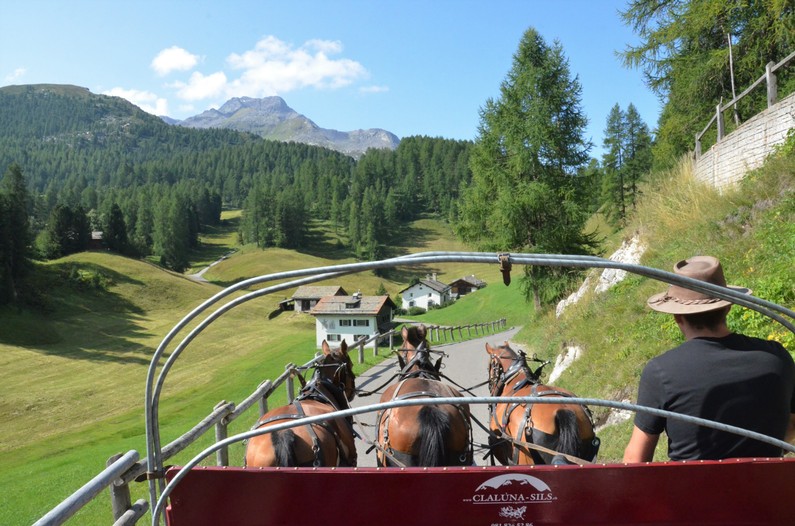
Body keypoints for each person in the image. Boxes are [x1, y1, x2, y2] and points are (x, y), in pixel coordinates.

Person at [623, 255, 795, 462]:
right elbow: (791, 427)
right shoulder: (776, 357)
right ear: (728, 307)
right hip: (768, 482)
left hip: (695, 484)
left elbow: (636, 460)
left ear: (677, 316)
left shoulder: (661, 371)